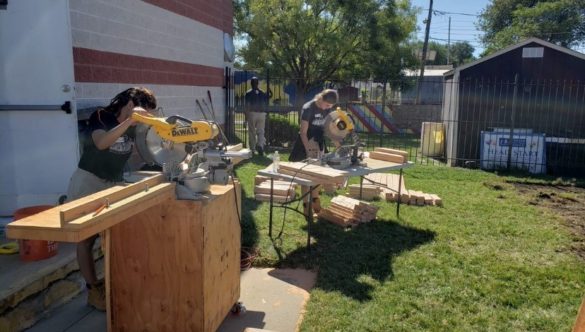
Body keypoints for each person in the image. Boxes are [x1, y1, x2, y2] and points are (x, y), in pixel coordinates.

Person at [66, 87, 157, 311]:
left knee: (117, 235)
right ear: (129, 105)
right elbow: (101, 143)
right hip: (88, 180)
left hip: (112, 183)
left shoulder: (135, 126)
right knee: (85, 240)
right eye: (142, 110)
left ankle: (116, 283)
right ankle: (93, 290)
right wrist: (130, 122)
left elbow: (151, 146)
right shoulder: (101, 116)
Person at [289, 89, 340, 214]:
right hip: (305, 142)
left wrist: (338, 145)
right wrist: (308, 151)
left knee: (319, 173)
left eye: (330, 107)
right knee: (306, 176)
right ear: (320, 99)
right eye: (327, 105)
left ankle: (315, 199)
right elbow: (303, 132)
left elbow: (329, 129)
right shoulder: (308, 108)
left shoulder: (327, 108)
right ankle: (306, 204)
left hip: (318, 141)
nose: (328, 108)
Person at [245, 77, 271, 156]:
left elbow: (247, 105)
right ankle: (260, 146)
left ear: (251, 83)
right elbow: (267, 100)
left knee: (252, 131)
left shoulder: (248, 93)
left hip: (252, 113)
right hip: (262, 114)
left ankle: (253, 149)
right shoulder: (262, 92)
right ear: (258, 83)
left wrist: (246, 117)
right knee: (261, 131)